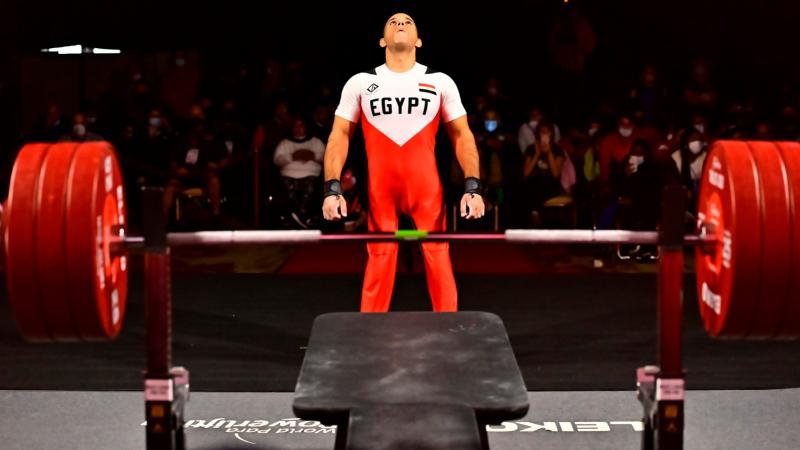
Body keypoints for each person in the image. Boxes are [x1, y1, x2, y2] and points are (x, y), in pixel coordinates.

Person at [321, 12, 485, 313]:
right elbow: (338, 137)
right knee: (380, 258)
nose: (400, 23)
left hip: (426, 192)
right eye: (393, 21)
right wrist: (332, 189)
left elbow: (464, 138)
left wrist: (472, 186)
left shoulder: (439, 81)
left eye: (408, 22)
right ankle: (369, 335)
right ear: (382, 40)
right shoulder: (360, 82)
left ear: (418, 41)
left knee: (439, 256)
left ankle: (450, 333)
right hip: (381, 191)